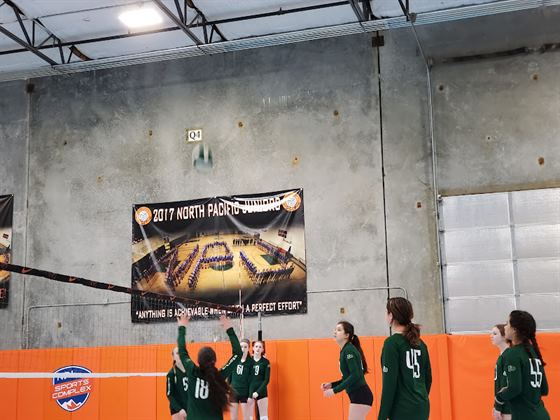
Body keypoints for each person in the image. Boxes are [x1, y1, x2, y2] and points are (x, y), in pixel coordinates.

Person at [176, 313, 242, 420]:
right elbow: (238, 354)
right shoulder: (219, 376)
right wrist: (229, 329)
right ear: (214, 361)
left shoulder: (192, 370)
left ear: (198, 361)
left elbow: (182, 351)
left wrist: (182, 327)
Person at [378, 297, 431, 420]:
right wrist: (419, 400)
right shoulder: (421, 344)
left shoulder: (392, 343)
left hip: (402, 410)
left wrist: (382, 417)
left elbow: (389, 385)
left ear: (391, 316)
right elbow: (428, 379)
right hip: (422, 407)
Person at [495, 310, 550, 420]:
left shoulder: (512, 354)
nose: (505, 327)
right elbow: (544, 389)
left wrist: (498, 399)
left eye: (507, 323)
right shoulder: (534, 353)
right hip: (542, 415)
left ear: (514, 329)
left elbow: (514, 388)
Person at [321, 321, 373, 420]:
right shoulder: (345, 350)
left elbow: (355, 375)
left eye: (339, 330)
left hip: (360, 395)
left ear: (346, 335)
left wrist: (334, 391)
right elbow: (348, 377)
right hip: (358, 395)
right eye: (335, 329)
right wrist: (332, 385)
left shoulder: (349, 350)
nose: (335, 332)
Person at [228, 338, 253, 420]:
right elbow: (229, 377)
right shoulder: (234, 360)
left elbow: (252, 381)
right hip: (234, 392)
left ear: (249, 348)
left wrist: (250, 395)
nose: (243, 349)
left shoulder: (251, 362)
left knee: (246, 418)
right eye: (241, 347)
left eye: (245, 347)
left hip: (245, 394)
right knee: (233, 418)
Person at [491, 324, 512, 420]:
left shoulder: (508, 356)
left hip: (508, 407)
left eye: (495, 334)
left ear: (504, 337)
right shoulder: (502, 356)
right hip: (502, 406)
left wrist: (498, 407)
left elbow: (506, 384)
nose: (491, 336)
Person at [247, 340, 270, 420]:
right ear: (253, 348)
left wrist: (258, 392)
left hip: (262, 391)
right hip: (250, 391)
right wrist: (250, 393)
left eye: (260, 347)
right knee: (249, 417)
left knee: (264, 417)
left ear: (263, 349)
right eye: (256, 346)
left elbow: (267, 380)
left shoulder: (266, 362)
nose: (258, 348)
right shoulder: (248, 361)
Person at [166, 347, 189, 420]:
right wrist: (179, 409)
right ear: (173, 357)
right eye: (177, 353)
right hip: (178, 410)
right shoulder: (171, 374)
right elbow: (169, 394)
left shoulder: (190, 371)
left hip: (190, 408)